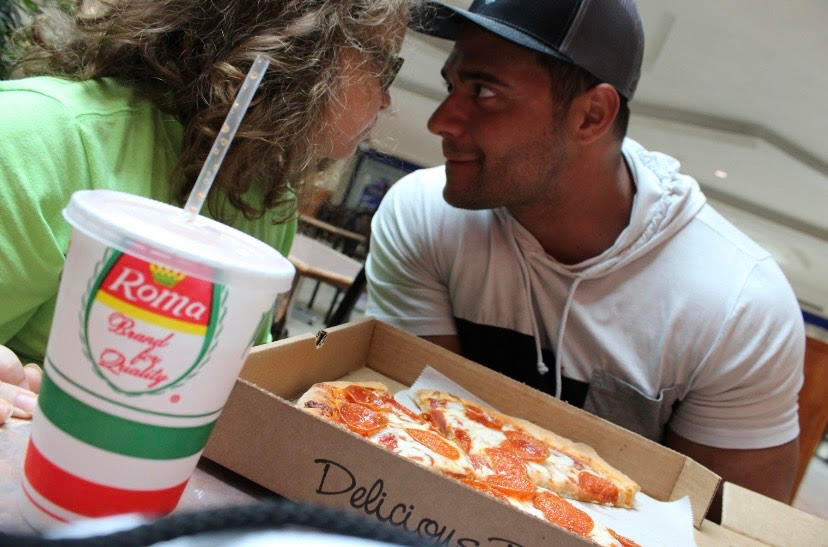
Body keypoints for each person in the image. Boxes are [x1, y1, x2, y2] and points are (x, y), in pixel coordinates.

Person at [366, 0, 805, 513]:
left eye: (483, 91)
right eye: (451, 87)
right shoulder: (424, 214)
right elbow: (414, 430)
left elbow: (726, 525)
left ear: (592, 115)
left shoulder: (738, 305)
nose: (441, 121)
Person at [0, 0, 416, 424]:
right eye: (385, 65)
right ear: (304, 42)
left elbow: (234, 380)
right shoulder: (40, 138)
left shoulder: (266, 196)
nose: (386, 99)